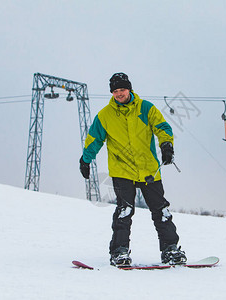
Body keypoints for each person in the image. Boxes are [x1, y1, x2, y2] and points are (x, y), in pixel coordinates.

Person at [79, 72, 187, 267]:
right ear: (112, 93)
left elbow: (162, 127)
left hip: (149, 170)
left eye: (122, 89)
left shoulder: (146, 108)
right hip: (122, 171)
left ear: (129, 89)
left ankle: (170, 249)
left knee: (161, 210)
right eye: (116, 91)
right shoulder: (105, 116)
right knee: (124, 211)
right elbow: (94, 139)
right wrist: (86, 160)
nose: (119, 94)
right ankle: (119, 252)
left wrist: (166, 145)